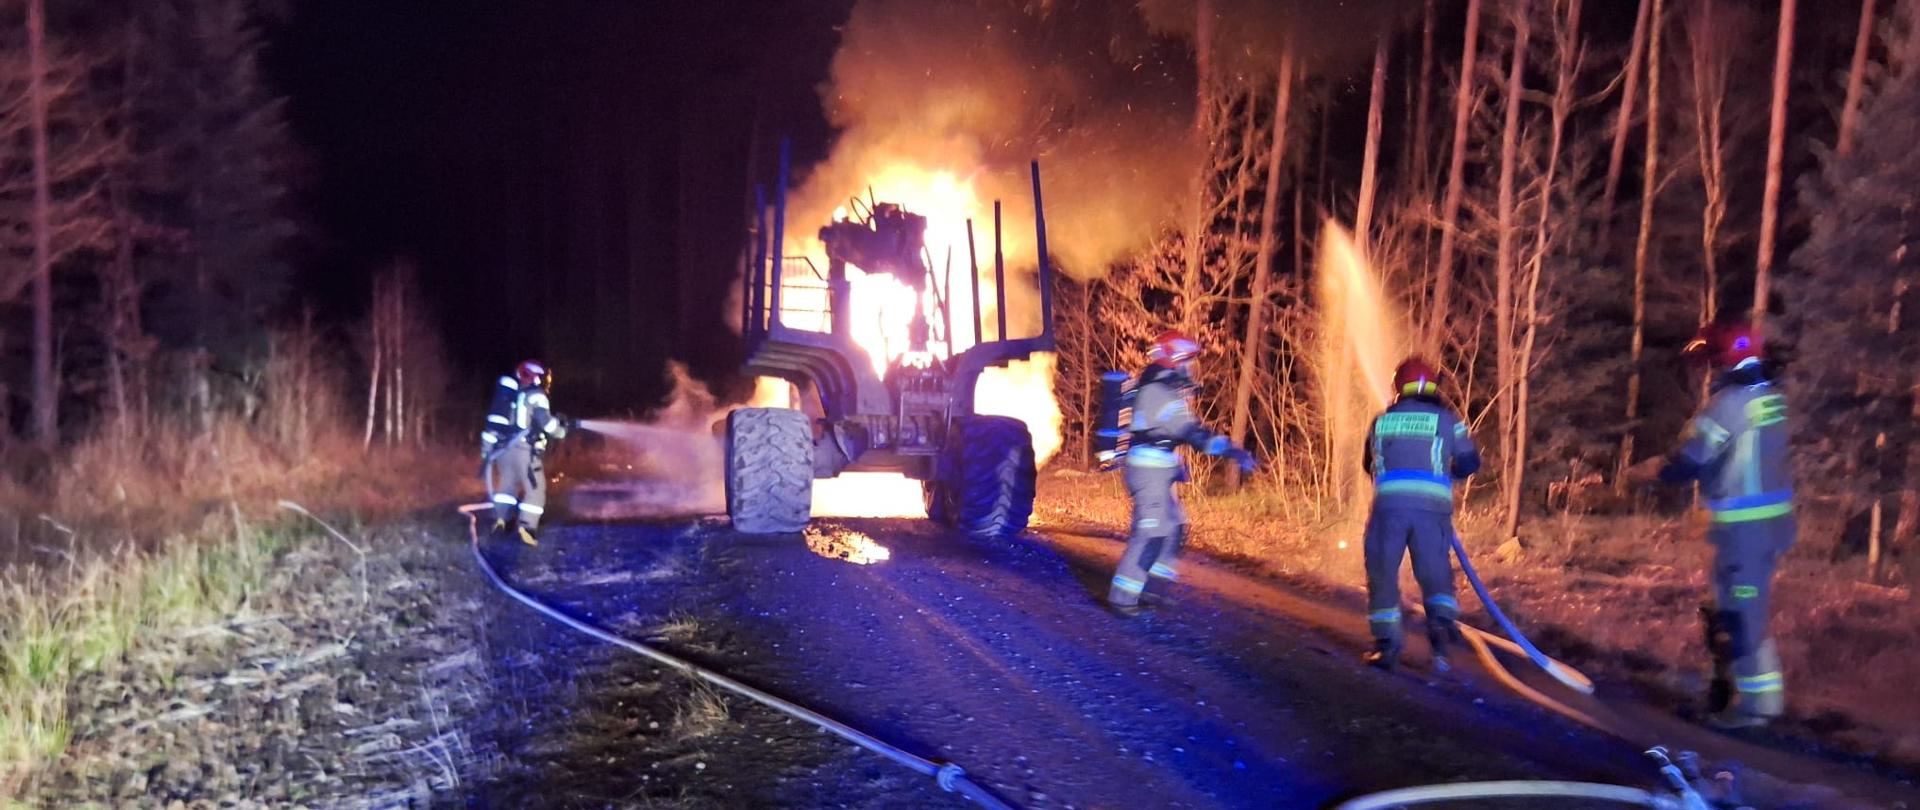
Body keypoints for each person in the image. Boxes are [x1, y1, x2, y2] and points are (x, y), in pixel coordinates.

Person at [1653, 321, 1795, 729]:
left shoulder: (1728, 406)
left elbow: (1693, 457)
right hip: (1771, 525)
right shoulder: (1772, 398)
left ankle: (1758, 708)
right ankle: (1728, 690)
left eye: (1709, 362)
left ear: (1721, 360)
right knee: (1732, 607)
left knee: (1741, 613)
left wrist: (1660, 473)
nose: (1707, 372)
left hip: (1744, 529)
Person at [1106, 329, 1255, 616]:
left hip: (1158, 468)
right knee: (1152, 533)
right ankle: (1122, 598)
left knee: (1173, 527)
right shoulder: (1159, 392)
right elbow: (1194, 435)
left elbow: (1177, 431)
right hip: (1148, 471)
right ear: (1174, 359)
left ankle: (1151, 590)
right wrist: (1233, 451)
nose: (1192, 366)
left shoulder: (1164, 390)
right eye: (1188, 360)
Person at [1360, 357, 1480, 672]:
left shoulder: (1381, 422)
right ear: (1432, 385)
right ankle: (1440, 640)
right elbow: (1469, 463)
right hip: (1432, 511)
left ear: (1399, 387)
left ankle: (1386, 647)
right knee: (1435, 573)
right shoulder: (1448, 420)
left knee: (1382, 573)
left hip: (1389, 512)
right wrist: (1442, 471)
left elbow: (1367, 464)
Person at [481, 359, 571, 546]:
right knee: (536, 490)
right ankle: (527, 526)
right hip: (526, 452)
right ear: (536, 377)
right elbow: (546, 423)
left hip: (504, 451)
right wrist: (561, 430)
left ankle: (500, 520)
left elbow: (493, 427)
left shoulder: (512, 396)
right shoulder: (536, 395)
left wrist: (486, 452)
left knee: (506, 486)